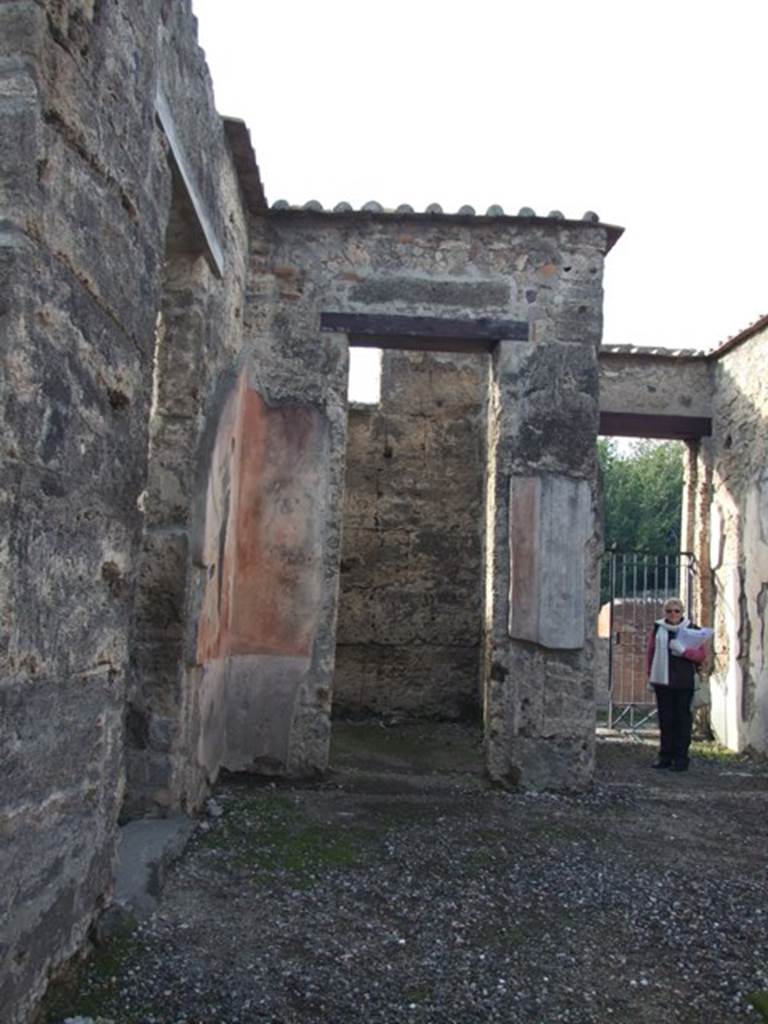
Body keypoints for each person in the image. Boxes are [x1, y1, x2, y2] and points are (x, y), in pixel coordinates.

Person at [646, 598, 706, 771]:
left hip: (684, 681)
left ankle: (681, 758)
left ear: (682, 612)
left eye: (676, 611)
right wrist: (650, 674)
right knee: (666, 721)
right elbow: (650, 652)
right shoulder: (658, 628)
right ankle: (665, 756)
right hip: (663, 681)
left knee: (682, 721)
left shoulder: (692, 630)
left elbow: (701, 655)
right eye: (669, 611)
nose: (673, 614)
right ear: (665, 613)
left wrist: (684, 651)